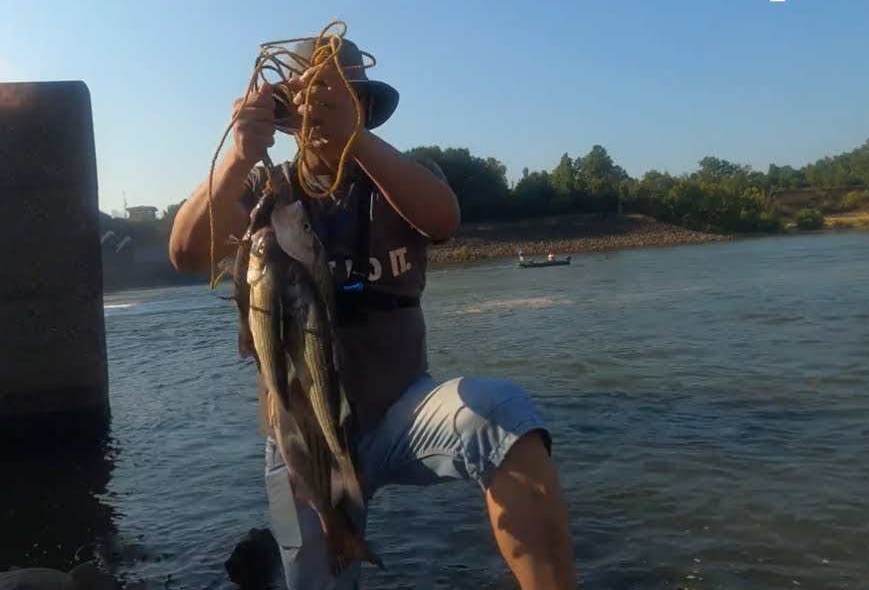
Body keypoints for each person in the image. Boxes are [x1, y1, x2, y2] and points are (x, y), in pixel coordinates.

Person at [168, 35, 578, 590]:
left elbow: (443, 220)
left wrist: (353, 140)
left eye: (341, 97)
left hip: (401, 415)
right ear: (286, 115)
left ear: (363, 106)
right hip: (299, 437)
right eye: (309, 100)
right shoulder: (266, 191)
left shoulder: (401, 174)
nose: (323, 110)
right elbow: (187, 253)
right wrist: (238, 155)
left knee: (503, 413)